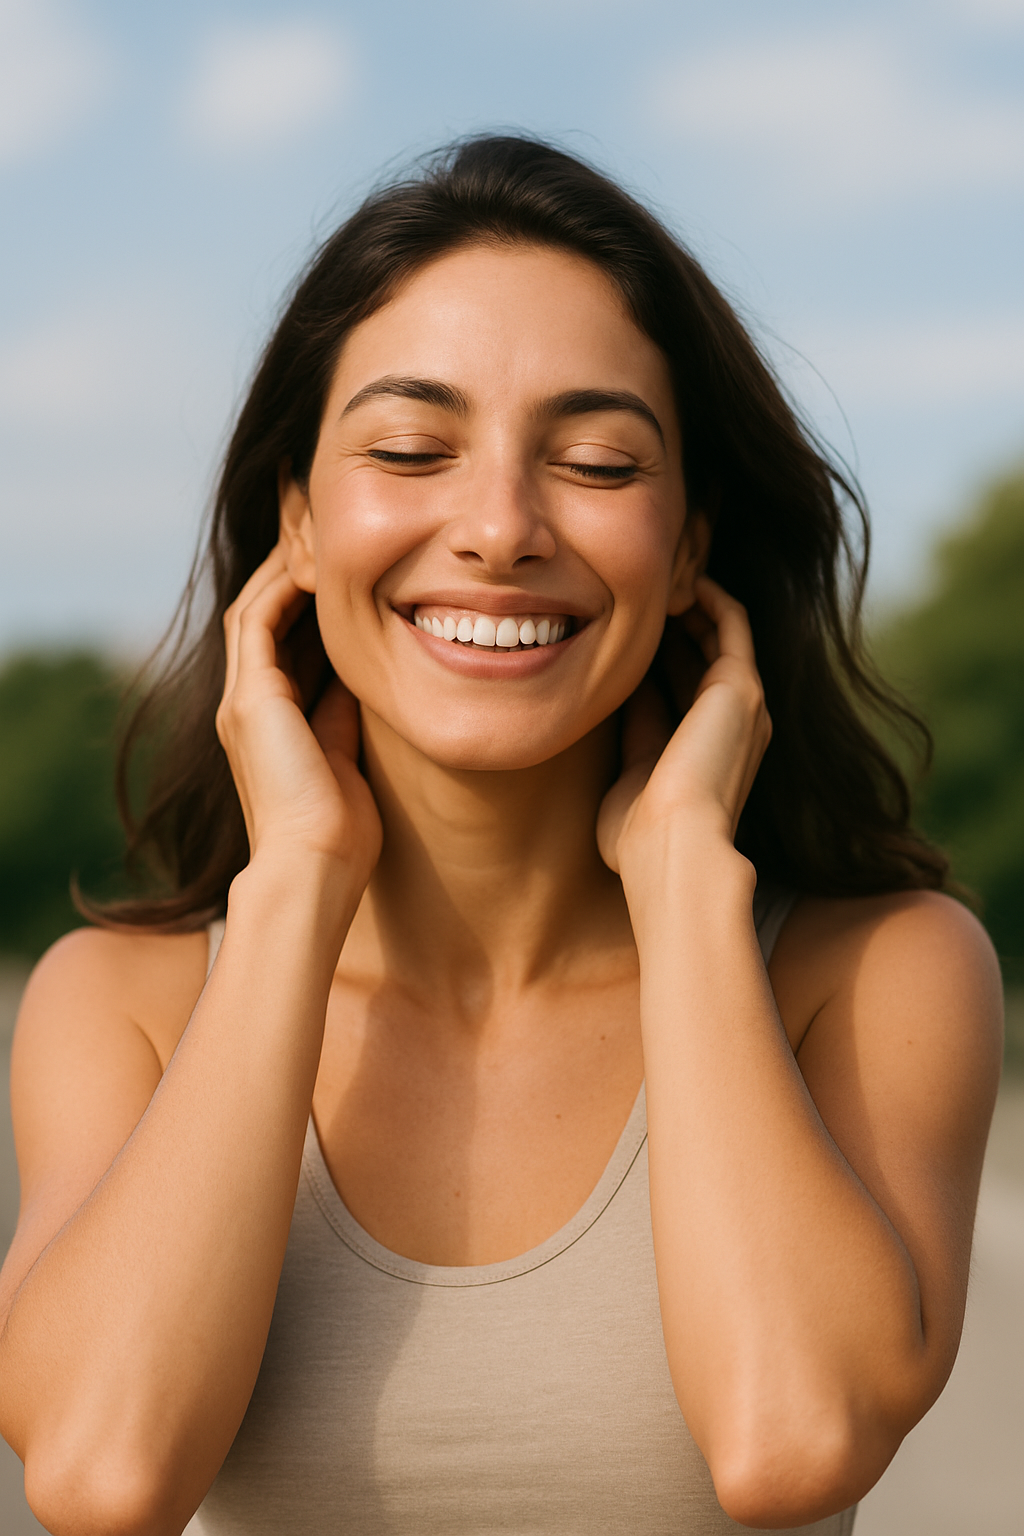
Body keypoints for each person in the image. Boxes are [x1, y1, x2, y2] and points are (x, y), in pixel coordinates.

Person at [0, 136, 1002, 1536]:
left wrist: (687, 891)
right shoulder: (120, 1006)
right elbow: (107, 1475)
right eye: (412, 449)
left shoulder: (874, 970)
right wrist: (292, 889)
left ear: (690, 545)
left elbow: (795, 1440)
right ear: (296, 515)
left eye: (595, 461)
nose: (500, 527)